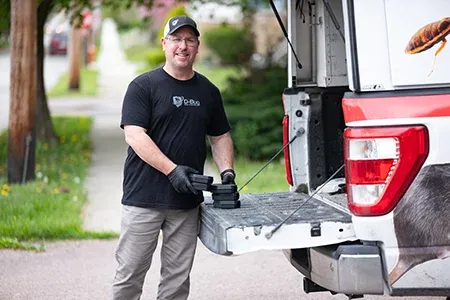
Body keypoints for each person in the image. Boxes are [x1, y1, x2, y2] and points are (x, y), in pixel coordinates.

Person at [111, 15, 236, 300]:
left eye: (190, 40)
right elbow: (135, 135)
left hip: (186, 203)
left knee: (177, 281)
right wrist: (172, 170)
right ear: (164, 43)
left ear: (197, 46)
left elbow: (220, 136)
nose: (183, 46)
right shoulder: (143, 86)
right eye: (177, 39)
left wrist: (227, 172)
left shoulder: (208, 92)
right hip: (143, 198)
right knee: (130, 274)